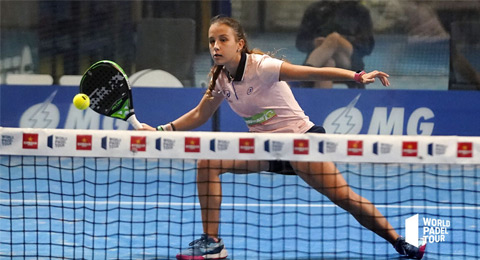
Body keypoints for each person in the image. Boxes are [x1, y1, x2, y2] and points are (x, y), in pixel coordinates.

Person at [139, 15, 426, 260]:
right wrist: (162, 131)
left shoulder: (262, 67)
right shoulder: (220, 77)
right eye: (212, 40)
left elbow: (311, 71)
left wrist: (356, 76)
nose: (216, 46)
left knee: (344, 198)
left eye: (223, 39)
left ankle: (398, 241)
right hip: (264, 148)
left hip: (301, 144)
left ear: (239, 43)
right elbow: (200, 114)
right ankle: (213, 244)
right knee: (208, 163)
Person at [295, 0, 375, 88]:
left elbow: (367, 46)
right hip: (322, 58)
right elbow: (300, 42)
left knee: (334, 38)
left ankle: (303, 75)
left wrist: (344, 40)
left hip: (349, 60)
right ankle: (323, 100)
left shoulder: (360, 11)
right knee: (327, 65)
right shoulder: (314, 9)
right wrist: (315, 43)